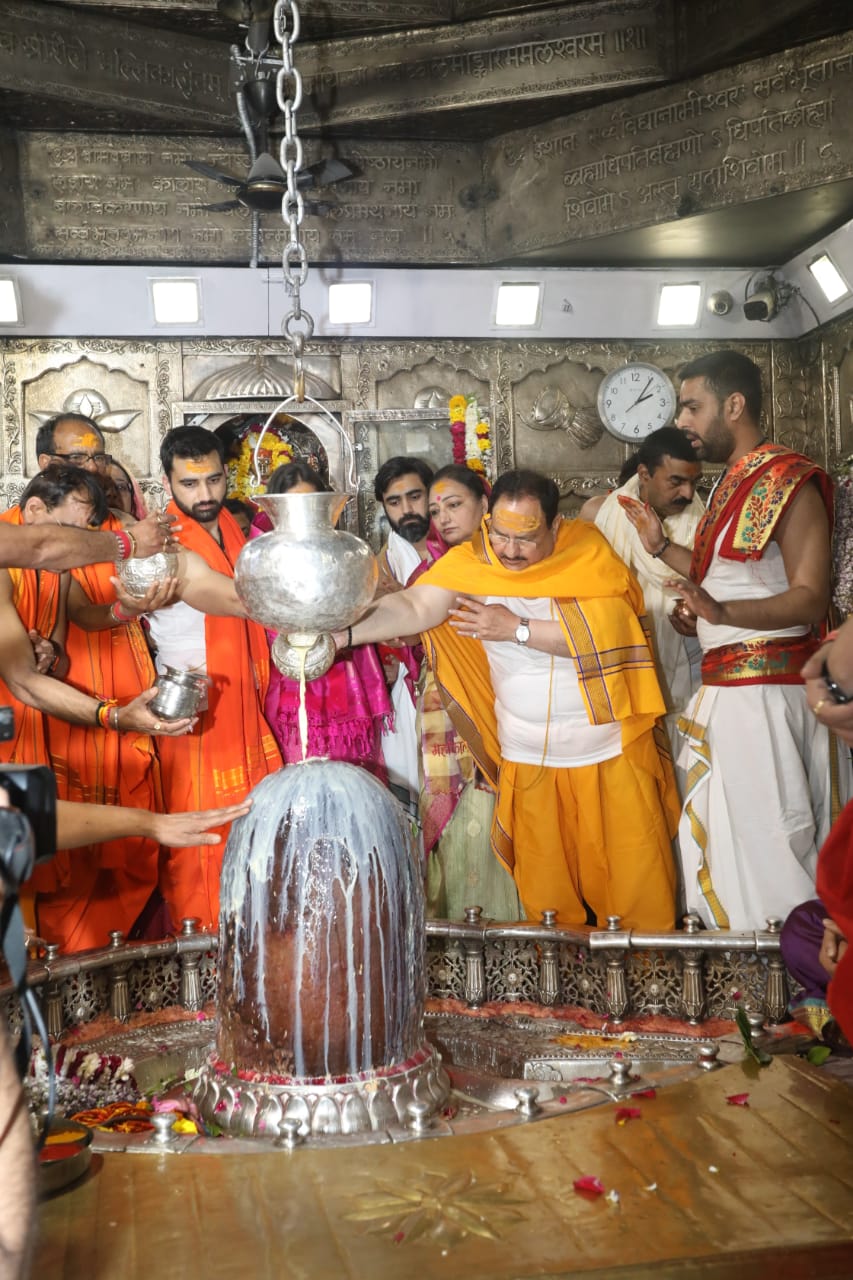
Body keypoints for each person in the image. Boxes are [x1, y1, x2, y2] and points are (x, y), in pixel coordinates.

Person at [336, 469, 679, 930]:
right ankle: (563, 999)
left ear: (556, 527)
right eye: (500, 535)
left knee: (634, 886)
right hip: (528, 756)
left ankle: (649, 992)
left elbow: (611, 637)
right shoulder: (472, 562)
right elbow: (416, 608)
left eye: (527, 538)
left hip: (608, 751)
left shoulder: (587, 552)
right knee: (548, 901)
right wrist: (345, 634)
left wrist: (514, 629)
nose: (511, 551)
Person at [621, 350, 850, 931]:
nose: (685, 422)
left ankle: (800, 992)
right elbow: (726, 577)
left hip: (769, 696)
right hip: (728, 693)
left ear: (735, 405)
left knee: (777, 840)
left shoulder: (789, 479)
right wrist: (664, 555)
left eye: (693, 406)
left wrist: (719, 610)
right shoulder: (728, 485)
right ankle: (748, 990)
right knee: (729, 845)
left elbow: (808, 596)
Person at [146, 426, 281, 931]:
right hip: (193, 705)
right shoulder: (163, 539)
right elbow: (228, 597)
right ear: (168, 483)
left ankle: (250, 937)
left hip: (242, 694)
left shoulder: (229, 522)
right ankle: (199, 943)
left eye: (213, 480)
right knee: (197, 829)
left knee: (248, 823)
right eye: (189, 484)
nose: (204, 495)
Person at [422, 465, 520, 919]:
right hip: (450, 741)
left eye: (454, 504)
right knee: (460, 850)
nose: (442, 517)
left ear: (486, 505)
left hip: (509, 732)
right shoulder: (438, 573)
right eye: (435, 509)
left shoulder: (513, 568)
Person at [251, 461, 391, 770]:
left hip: (345, 687)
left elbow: (365, 613)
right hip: (288, 691)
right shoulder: (261, 560)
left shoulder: (345, 555)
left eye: (311, 507)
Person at [580, 426, 705, 757]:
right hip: (622, 654)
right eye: (676, 481)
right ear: (644, 474)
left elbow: (720, 585)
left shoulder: (708, 523)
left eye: (694, 482)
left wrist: (702, 616)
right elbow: (582, 593)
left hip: (688, 653)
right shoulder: (598, 514)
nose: (688, 494)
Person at [373, 456, 440, 813]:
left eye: (415, 497)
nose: (407, 509)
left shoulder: (455, 553)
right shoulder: (378, 566)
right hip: (405, 696)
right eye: (394, 502)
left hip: (457, 691)